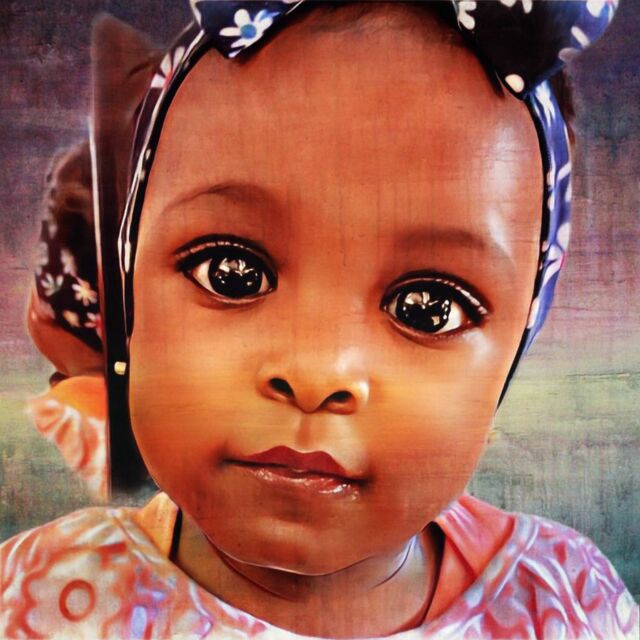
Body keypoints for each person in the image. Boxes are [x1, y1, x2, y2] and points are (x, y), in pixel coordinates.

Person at [1, 1, 638, 638]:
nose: (315, 374)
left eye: (427, 309)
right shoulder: (34, 598)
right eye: (231, 272)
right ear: (131, 296)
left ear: (506, 367)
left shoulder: (567, 602)